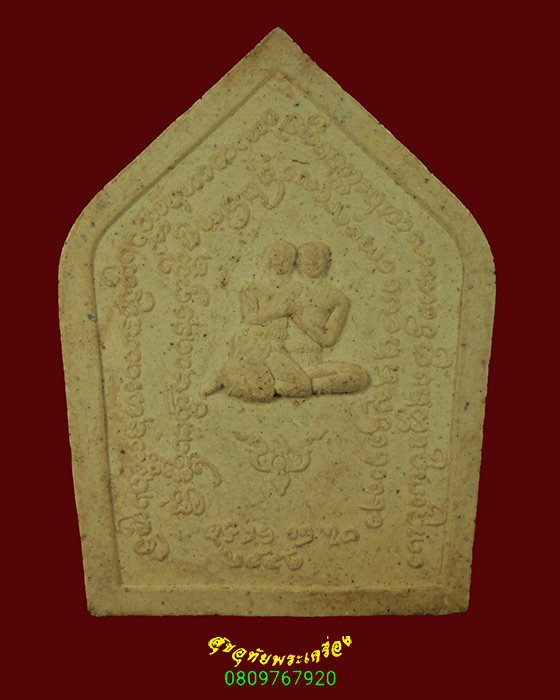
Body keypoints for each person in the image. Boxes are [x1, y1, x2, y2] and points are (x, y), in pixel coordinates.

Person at [287, 242, 369, 395]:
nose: (313, 260)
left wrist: (303, 324)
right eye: (308, 256)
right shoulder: (285, 290)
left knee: (358, 376)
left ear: (328, 262)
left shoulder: (337, 299)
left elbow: (328, 340)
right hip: (281, 358)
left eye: (318, 256)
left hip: (312, 363)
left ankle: (299, 385)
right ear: (298, 263)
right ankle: (295, 383)